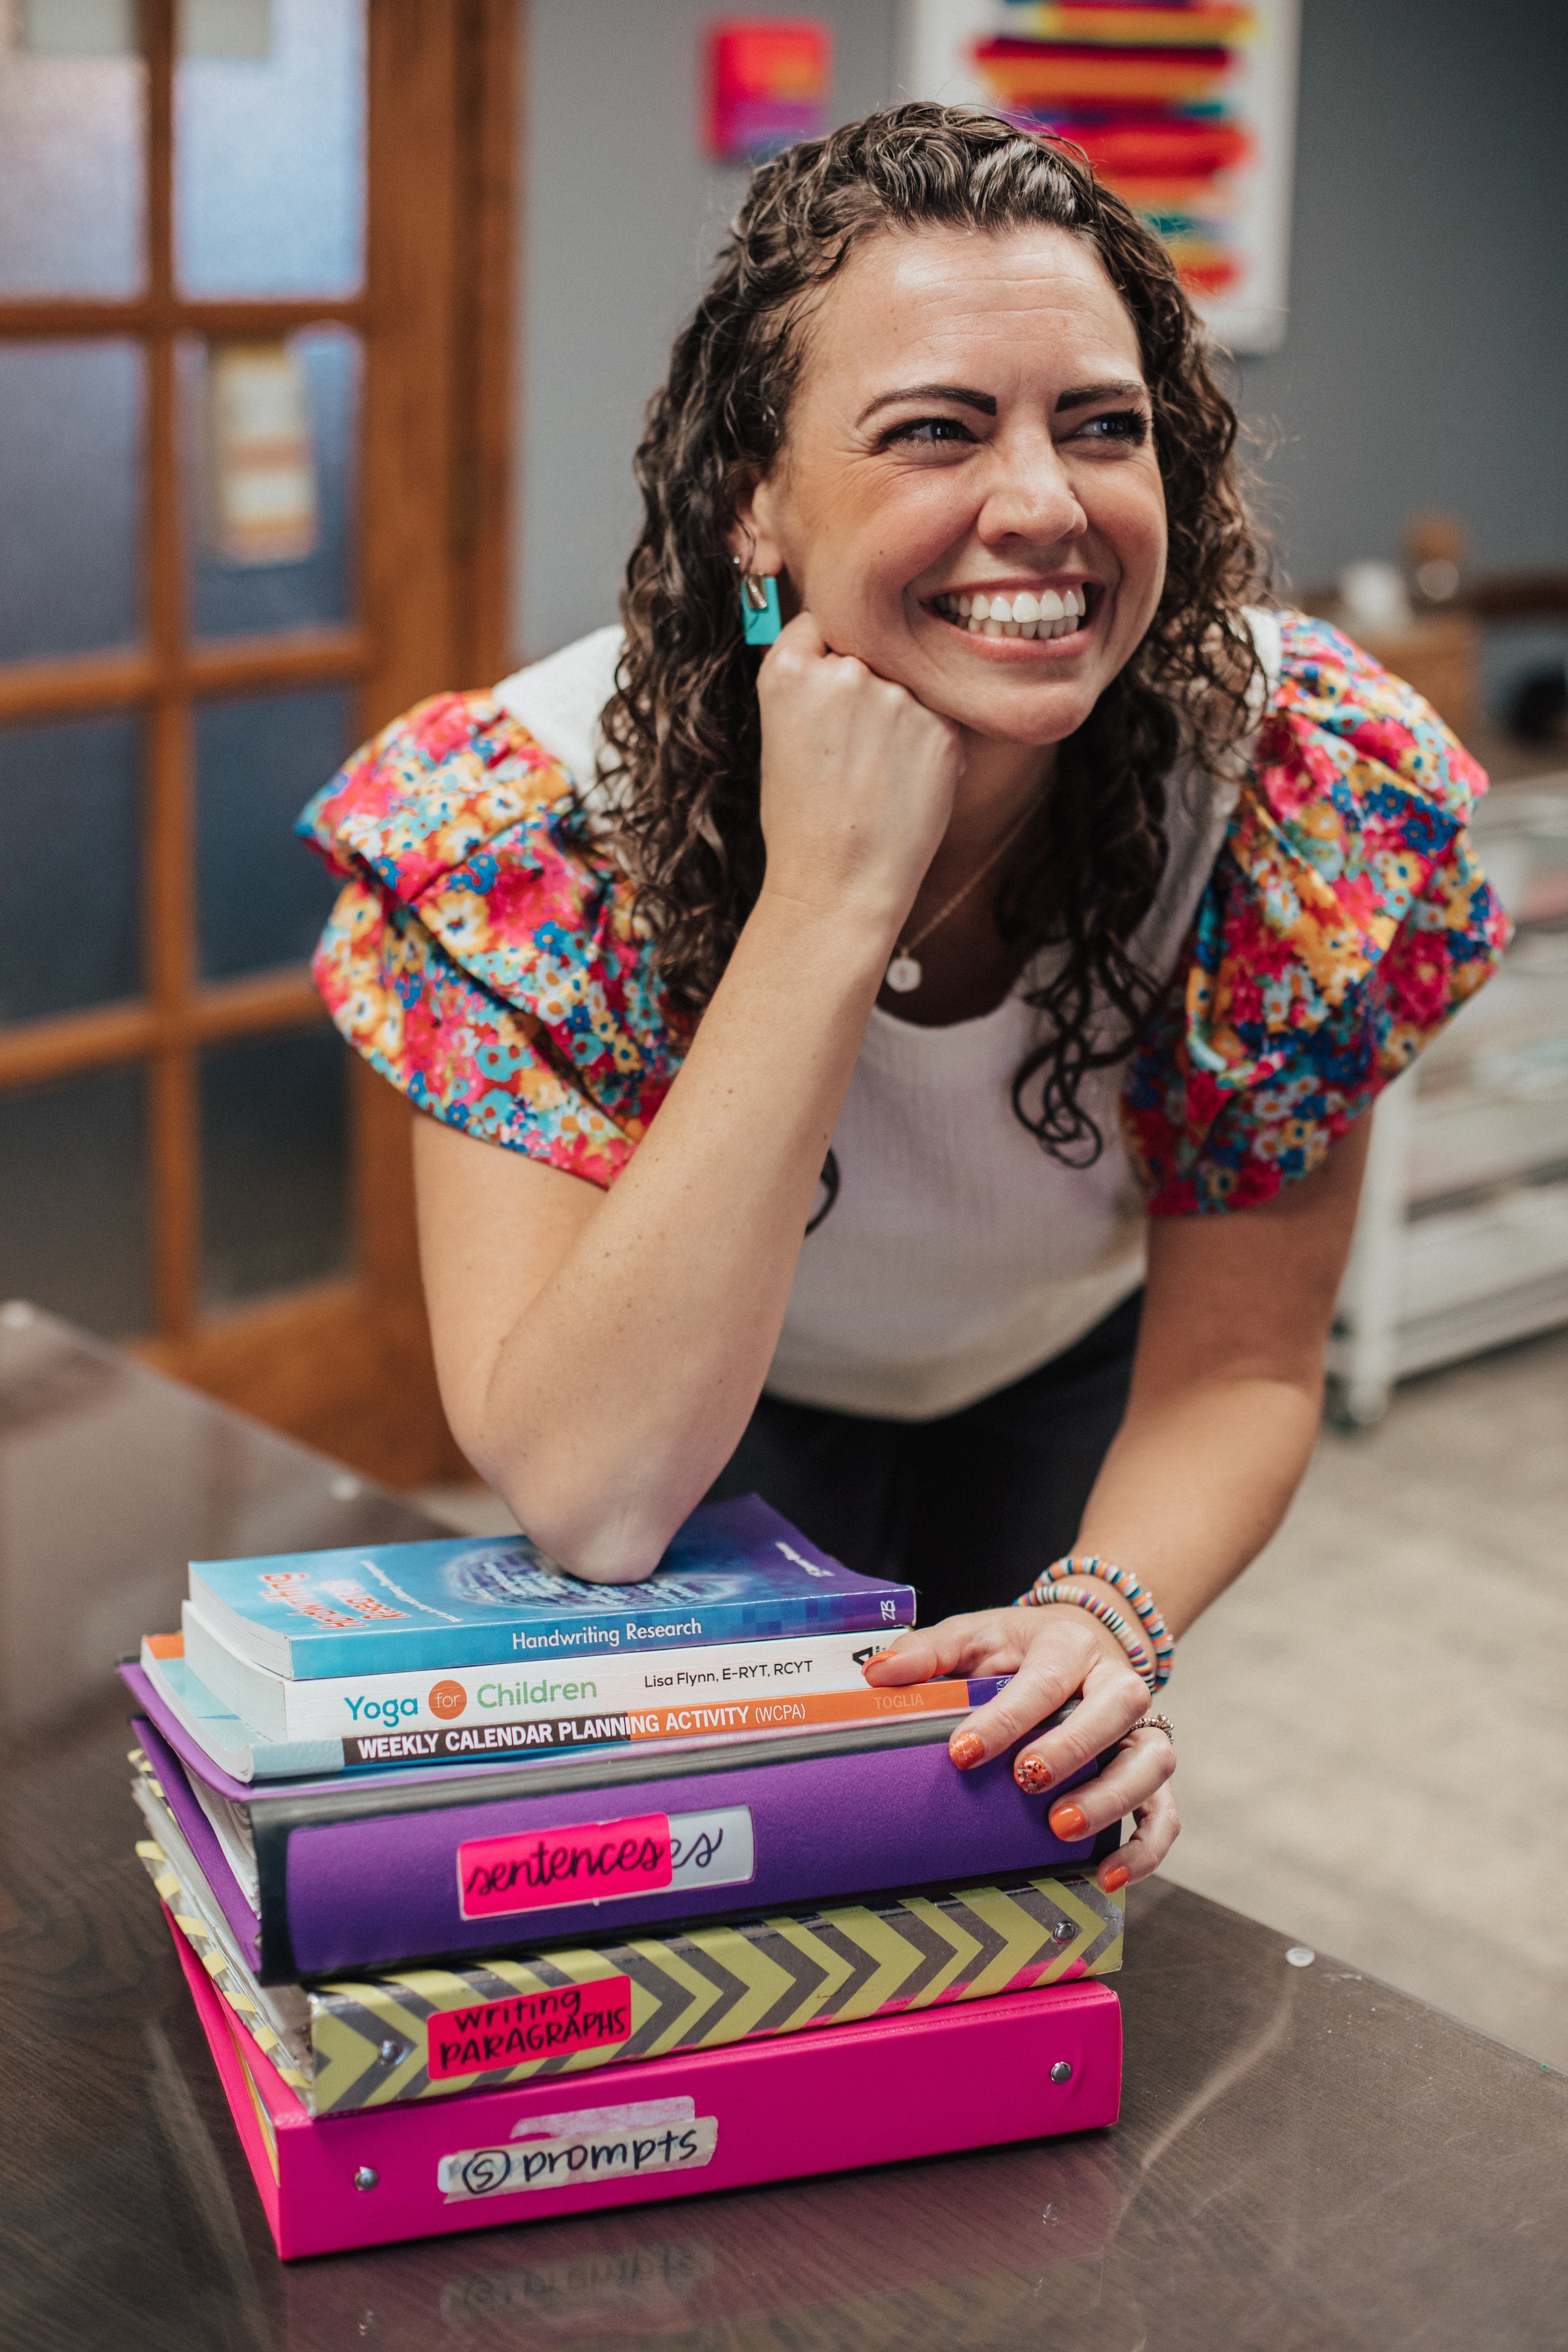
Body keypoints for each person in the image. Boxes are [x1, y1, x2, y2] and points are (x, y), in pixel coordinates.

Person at [299, 107, 1507, 1897]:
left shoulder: (1292, 793)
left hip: (1059, 1369)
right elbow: (595, 1489)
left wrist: (1104, 1616)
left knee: (982, 1852)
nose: (1040, 502)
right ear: (751, 503)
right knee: (717, 1882)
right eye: (934, 430)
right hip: (722, 1393)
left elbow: (1246, 1356)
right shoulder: (534, 825)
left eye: (1099, 426)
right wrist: (831, 898)